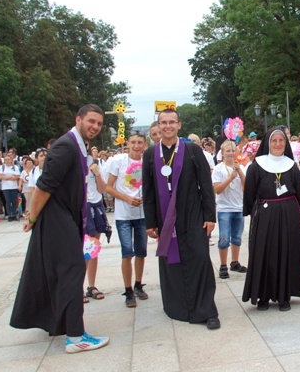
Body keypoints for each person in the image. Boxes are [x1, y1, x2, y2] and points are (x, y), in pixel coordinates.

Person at [10, 104, 109, 353]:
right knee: (73, 270)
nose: (95, 126)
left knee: (61, 272)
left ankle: (61, 324)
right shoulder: (65, 146)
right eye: (91, 121)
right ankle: (76, 337)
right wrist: (32, 218)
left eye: (99, 123)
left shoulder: (78, 146)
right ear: (78, 120)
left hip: (66, 216)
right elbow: (43, 187)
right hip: (56, 217)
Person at [142, 109, 220, 330]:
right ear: (158, 126)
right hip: (165, 218)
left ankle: (207, 310)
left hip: (192, 214)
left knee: (200, 258)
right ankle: (178, 307)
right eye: (163, 122)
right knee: (172, 262)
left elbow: (206, 184)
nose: (167, 126)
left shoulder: (192, 150)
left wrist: (210, 216)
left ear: (179, 125)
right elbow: (147, 191)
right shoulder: (150, 155)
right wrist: (150, 222)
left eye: (172, 122)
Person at [242, 126, 300, 311]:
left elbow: (299, 192)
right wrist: (255, 214)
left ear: (286, 143)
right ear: (268, 143)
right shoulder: (256, 165)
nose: (278, 144)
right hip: (265, 215)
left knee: (287, 252)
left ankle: (284, 296)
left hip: (289, 214)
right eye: (274, 141)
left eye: (281, 140)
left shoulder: (291, 166)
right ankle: (264, 296)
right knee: (264, 253)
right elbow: (250, 193)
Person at [106, 131, 148, 308]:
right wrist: (126, 198)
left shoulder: (147, 163)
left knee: (141, 251)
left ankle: (138, 284)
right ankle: (128, 289)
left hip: (142, 214)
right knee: (127, 252)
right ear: (127, 144)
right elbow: (109, 187)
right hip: (124, 215)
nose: (136, 146)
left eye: (140, 142)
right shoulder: (119, 161)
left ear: (144, 144)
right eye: (133, 142)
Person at [212, 140, 247, 279]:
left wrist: (239, 172)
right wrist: (230, 178)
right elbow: (217, 190)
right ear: (222, 153)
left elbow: (247, 186)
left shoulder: (240, 167)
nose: (231, 154)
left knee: (237, 237)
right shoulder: (218, 169)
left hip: (239, 207)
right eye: (228, 151)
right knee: (224, 237)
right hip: (224, 208)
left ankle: (235, 262)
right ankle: (223, 265)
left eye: (233, 151)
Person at [84, 156, 110, 303]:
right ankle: (77, 287)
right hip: (82, 207)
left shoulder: (95, 166)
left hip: (96, 205)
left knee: (93, 248)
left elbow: (102, 189)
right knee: (81, 249)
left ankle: (91, 285)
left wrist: (97, 174)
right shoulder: (74, 165)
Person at [0, 154, 21, 221]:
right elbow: (0, 176)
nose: (7, 161)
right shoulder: (2, 167)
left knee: (14, 201)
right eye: (6, 160)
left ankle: (13, 214)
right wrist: (10, 177)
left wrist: (6, 177)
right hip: (5, 187)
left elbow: (17, 176)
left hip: (13, 186)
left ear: (11, 160)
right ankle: (9, 214)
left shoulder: (15, 167)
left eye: (8, 159)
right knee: (8, 201)